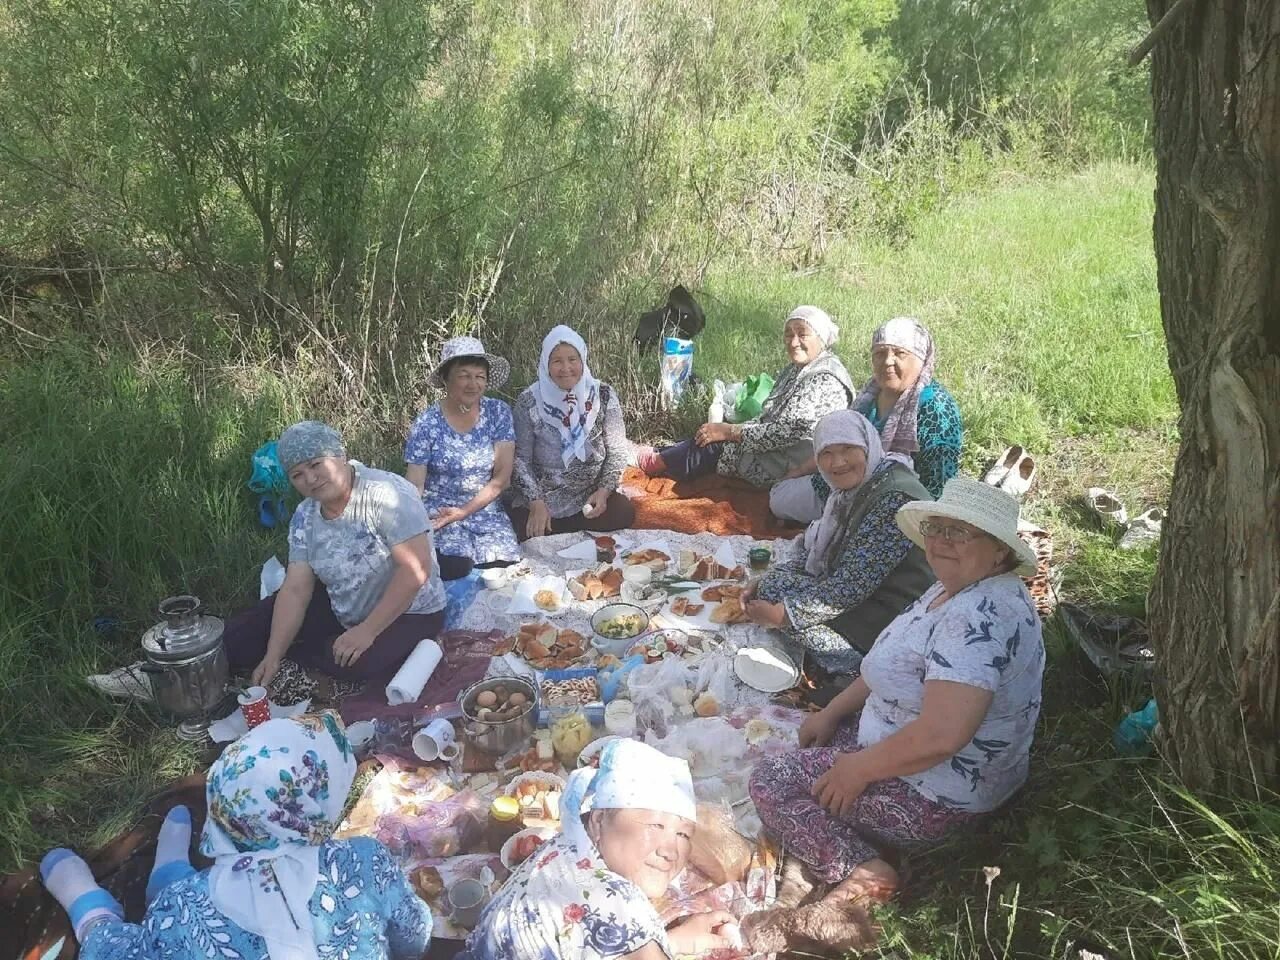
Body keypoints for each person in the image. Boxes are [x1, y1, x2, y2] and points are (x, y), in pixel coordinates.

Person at [749, 478, 1043, 908]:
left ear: (1000, 550)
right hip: (911, 740)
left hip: (941, 794)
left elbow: (942, 736)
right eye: (936, 528)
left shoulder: (979, 618)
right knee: (807, 733)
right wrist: (832, 711)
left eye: (959, 532)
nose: (942, 541)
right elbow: (892, 659)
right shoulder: (953, 584)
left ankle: (863, 867)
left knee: (769, 780)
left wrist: (858, 770)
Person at [39, 712, 433, 960]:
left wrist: (99, 923)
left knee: (131, 937)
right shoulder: (364, 862)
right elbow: (413, 937)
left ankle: (93, 909)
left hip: (185, 911)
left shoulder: (179, 912)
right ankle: (166, 871)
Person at [459, 738, 738, 960]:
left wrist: (670, 942)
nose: (671, 850)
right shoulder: (618, 901)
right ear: (599, 819)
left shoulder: (566, 847)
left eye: (683, 834)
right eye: (655, 825)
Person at [221, 420, 447, 690]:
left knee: (358, 662)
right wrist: (273, 655)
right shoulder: (305, 516)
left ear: (340, 455)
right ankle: (179, 668)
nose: (310, 479)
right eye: (297, 475)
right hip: (343, 604)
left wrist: (366, 631)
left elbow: (415, 570)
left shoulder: (387, 494)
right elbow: (295, 589)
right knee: (241, 636)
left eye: (316, 464)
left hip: (410, 611)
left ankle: (310, 650)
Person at [743, 410, 935, 675]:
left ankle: (857, 670)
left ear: (867, 445)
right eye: (826, 453)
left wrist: (783, 617)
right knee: (772, 587)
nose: (838, 462)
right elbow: (826, 556)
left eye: (847, 449)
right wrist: (764, 581)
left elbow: (847, 591)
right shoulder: (856, 489)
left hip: (893, 620)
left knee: (778, 601)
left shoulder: (893, 499)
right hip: (868, 595)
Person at [635, 305, 854, 488]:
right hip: (779, 447)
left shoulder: (824, 379)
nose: (794, 342)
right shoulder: (799, 368)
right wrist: (731, 429)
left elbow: (785, 432)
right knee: (711, 435)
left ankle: (655, 462)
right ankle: (662, 456)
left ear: (821, 338)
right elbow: (769, 416)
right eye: (789, 334)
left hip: (794, 463)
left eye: (802, 334)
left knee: (713, 446)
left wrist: (731, 432)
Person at [770, 316, 962, 522]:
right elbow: (837, 442)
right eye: (880, 354)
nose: (888, 361)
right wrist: (799, 471)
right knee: (779, 496)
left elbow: (937, 487)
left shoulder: (936, 408)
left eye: (899, 353)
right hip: (845, 482)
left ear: (921, 358)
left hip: (898, 501)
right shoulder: (870, 396)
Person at [405, 336, 521, 579]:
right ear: (447, 378)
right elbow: (415, 485)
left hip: (484, 506)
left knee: (501, 567)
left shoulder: (497, 412)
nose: (473, 384)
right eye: (464, 375)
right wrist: (410, 526)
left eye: (479, 376)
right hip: (441, 512)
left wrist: (465, 511)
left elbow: (502, 477)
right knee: (456, 566)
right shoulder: (426, 423)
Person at [507, 325, 635, 540]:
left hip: (589, 495)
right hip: (544, 496)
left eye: (572, 359)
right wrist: (536, 502)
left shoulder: (603, 394)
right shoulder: (529, 401)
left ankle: (567, 527)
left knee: (623, 512)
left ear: (582, 360)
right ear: (546, 364)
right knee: (517, 527)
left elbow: (618, 450)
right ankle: (553, 523)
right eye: (557, 361)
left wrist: (604, 492)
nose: (565, 367)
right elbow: (520, 459)